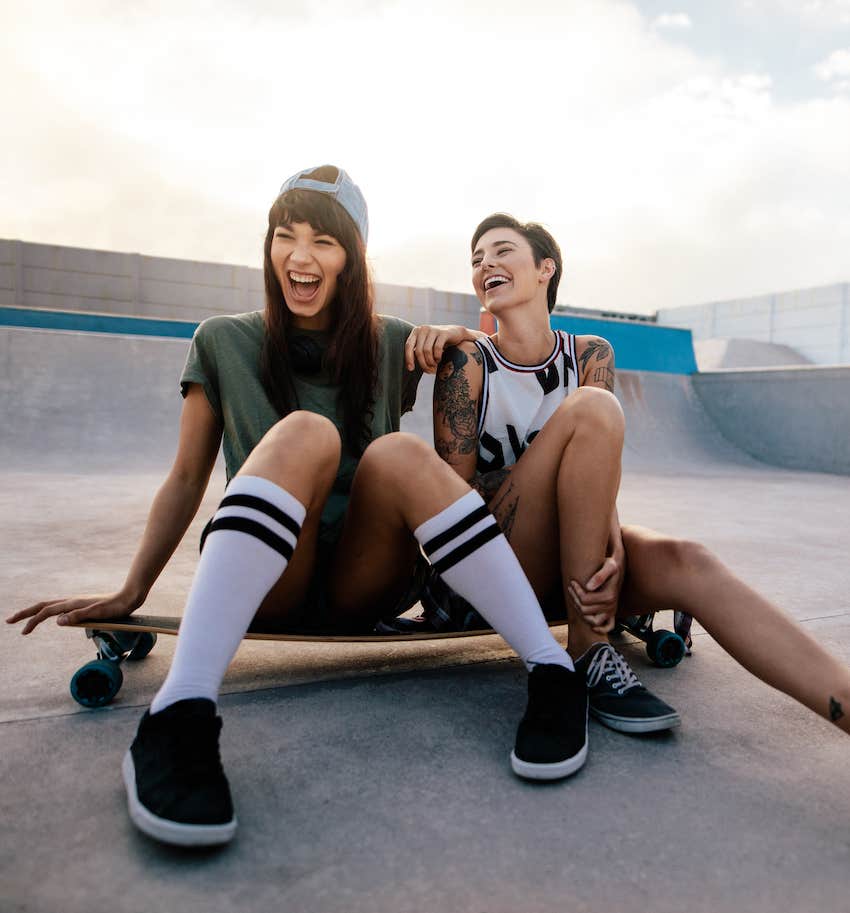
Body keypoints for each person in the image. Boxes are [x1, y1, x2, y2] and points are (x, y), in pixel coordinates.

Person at [7, 170, 593, 850]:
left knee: (398, 453)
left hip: (363, 580)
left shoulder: (388, 340)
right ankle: (179, 711)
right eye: (285, 236)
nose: (300, 256)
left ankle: (551, 672)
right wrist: (133, 587)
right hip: (271, 579)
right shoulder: (223, 340)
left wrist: (449, 335)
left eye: (323, 240)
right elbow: (186, 477)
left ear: (353, 259)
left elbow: (476, 358)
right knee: (307, 432)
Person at [430, 211, 850, 741]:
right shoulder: (467, 362)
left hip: (571, 570)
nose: (485, 262)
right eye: (476, 258)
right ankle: (590, 648)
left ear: (545, 270)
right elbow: (449, 505)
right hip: (486, 575)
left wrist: (616, 555)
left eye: (501, 250)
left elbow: (599, 481)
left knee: (688, 561)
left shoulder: (589, 354)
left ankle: (844, 700)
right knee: (595, 409)